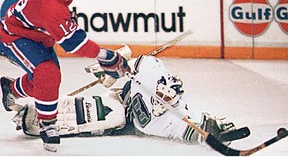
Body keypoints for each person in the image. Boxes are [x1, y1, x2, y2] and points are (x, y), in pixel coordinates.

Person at [0, 0, 130, 152]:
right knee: (48, 75)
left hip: (37, 35)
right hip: (13, 36)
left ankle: (11, 88)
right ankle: (48, 125)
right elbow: (75, 45)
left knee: (45, 84)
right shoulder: (49, 6)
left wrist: (63, 23)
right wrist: (107, 57)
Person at [11, 55, 249, 147]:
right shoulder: (152, 69)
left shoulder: (175, 118)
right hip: (121, 95)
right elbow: (126, 62)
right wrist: (109, 73)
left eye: (168, 98)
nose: (164, 98)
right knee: (110, 108)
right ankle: (41, 111)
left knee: (111, 117)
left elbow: (197, 131)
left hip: (124, 121)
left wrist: (213, 132)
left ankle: (50, 121)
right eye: (162, 94)